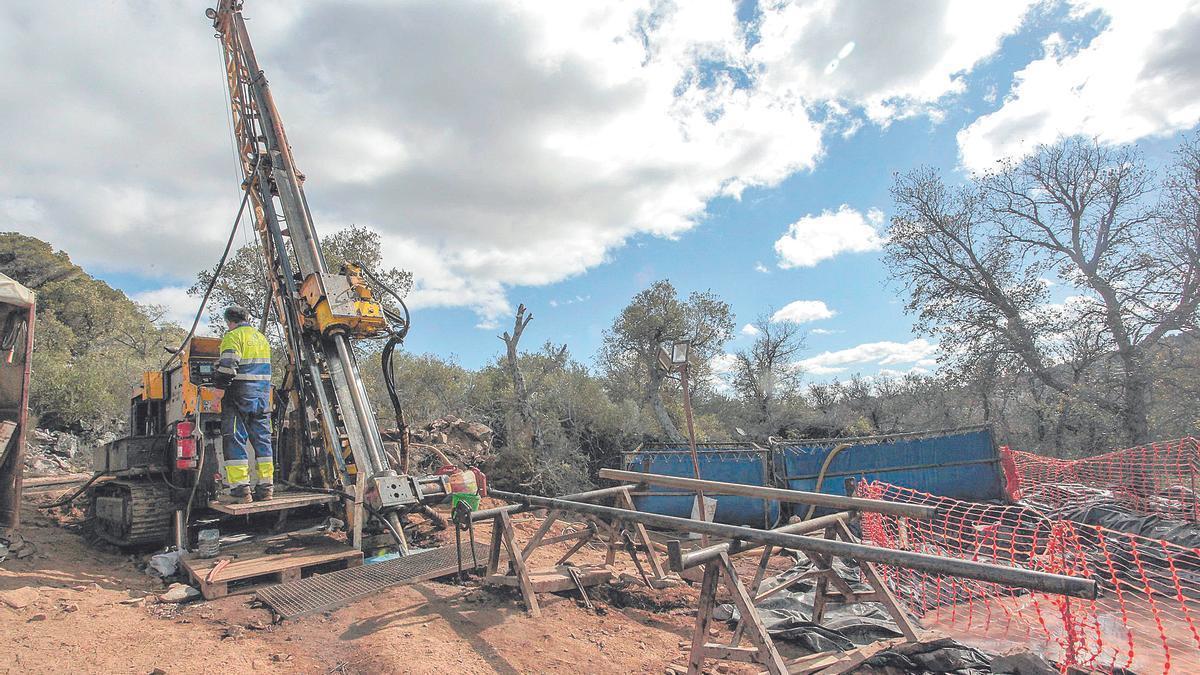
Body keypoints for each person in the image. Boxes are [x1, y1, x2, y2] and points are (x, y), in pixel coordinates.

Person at [213, 306, 274, 503]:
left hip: (238, 395)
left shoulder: (232, 337)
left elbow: (228, 368)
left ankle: (240, 490)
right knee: (262, 440)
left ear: (229, 322)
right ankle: (266, 488)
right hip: (262, 396)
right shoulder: (261, 338)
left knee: (234, 438)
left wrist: (218, 387)